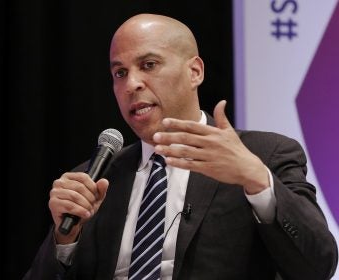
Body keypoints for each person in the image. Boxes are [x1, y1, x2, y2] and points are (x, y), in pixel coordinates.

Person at [23, 13, 338, 280]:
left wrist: (256, 179)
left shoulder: (263, 155)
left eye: (148, 65)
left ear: (195, 71)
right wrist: (65, 238)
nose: (131, 84)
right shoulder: (95, 181)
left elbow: (318, 265)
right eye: (120, 73)